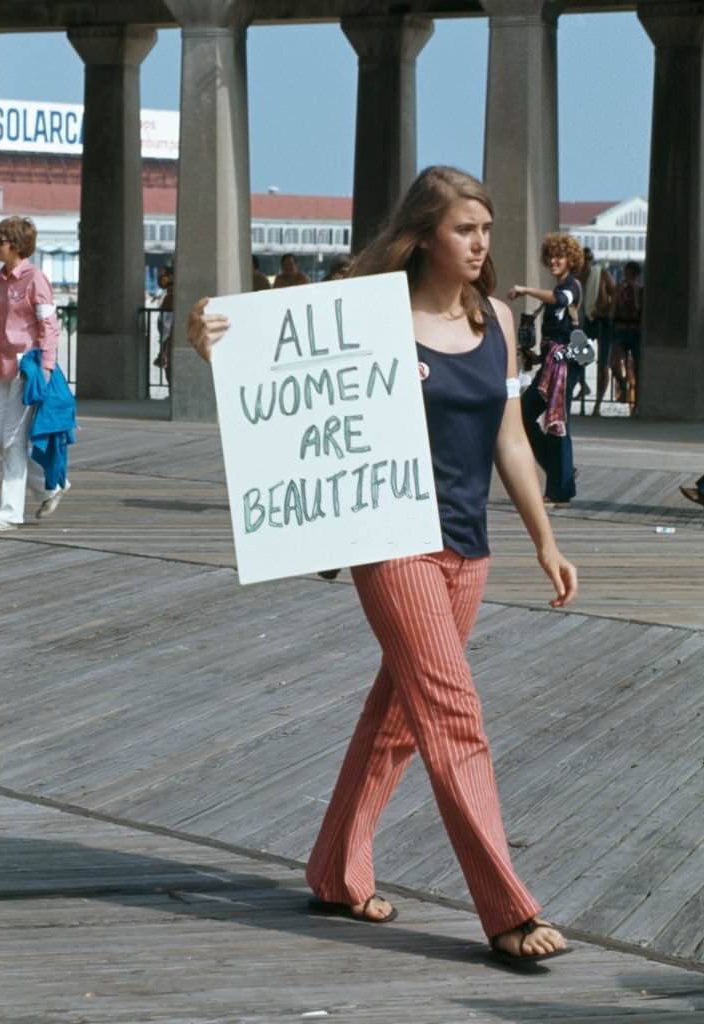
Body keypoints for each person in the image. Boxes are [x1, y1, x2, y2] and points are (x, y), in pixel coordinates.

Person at [186, 166, 578, 966]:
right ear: (425, 234)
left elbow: (509, 438)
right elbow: (281, 376)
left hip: (469, 550)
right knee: (453, 713)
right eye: (465, 229)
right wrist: (211, 340)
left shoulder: (497, 318)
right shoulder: (365, 317)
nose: (480, 244)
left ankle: (335, 869)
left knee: (398, 720)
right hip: (392, 540)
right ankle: (506, 908)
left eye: (486, 229)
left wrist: (544, 540)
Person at [0, 216, 68, 531]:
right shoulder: (0, 278)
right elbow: (0, 322)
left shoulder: (35, 279)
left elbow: (49, 326)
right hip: (2, 367)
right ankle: (51, 486)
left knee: (12, 440)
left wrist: (47, 368)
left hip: (29, 370)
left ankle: (9, 513)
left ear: (15, 245)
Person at [508, 234, 584, 509]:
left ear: (570, 260)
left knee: (558, 424)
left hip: (565, 367)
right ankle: (559, 472)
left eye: (560, 256)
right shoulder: (560, 288)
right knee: (525, 415)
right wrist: (536, 356)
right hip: (551, 366)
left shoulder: (572, 286)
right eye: (551, 256)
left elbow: (560, 299)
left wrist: (526, 291)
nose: (554, 260)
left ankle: (560, 489)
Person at [578, 247, 615, 417]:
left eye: (587, 259)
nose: (584, 262)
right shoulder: (576, 277)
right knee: (577, 359)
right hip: (584, 321)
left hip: (602, 321)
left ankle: (598, 405)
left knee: (603, 365)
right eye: (582, 259)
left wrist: (607, 311)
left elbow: (615, 294)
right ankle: (583, 385)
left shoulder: (601, 274)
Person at [611, 261, 642, 409]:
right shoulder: (619, 290)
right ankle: (622, 386)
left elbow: (637, 309)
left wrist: (634, 291)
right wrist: (618, 294)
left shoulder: (639, 290)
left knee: (637, 369)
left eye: (631, 275)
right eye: (626, 274)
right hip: (621, 329)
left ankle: (635, 401)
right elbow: (614, 311)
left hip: (635, 330)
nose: (628, 278)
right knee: (614, 363)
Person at [153, 265, 174, 383]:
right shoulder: (169, 277)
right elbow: (162, 283)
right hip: (167, 313)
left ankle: (163, 356)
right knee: (165, 342)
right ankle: (162, 356)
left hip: (171, 314)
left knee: (167, 344)